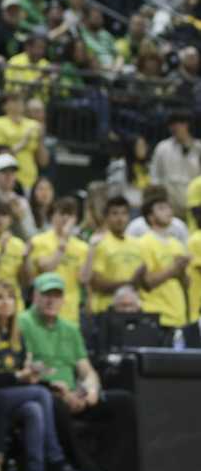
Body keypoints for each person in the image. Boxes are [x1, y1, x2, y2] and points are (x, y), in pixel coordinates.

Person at [19, 274, 136, 471]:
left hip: (75, 394)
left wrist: (91, 390)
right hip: (46, 392)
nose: (51, 301)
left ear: (64, 299)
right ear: (35, 296)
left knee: (124, 402)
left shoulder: (70, 329)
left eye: (56, 295)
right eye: (46, 295)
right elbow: (26, 368)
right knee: (54, 404)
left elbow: (86, 369)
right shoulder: (22, 323)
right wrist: (60, 390)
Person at [0, 279, 80, 471]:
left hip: (13, 395)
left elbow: (19, 376)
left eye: (10, 298)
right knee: (40, 395)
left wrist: (34, 376)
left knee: (34, 409)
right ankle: (56, 459)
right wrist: (18, 376)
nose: (5, 303)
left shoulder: (17, 336)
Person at [133, 191, 190, 329]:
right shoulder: (142, 243)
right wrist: (174, 268)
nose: (168, 211)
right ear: (150, 217)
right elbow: (147, 282)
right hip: (156, 314)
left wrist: (182, 270)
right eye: (161, 208)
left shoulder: (176, 243)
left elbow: (186, 284)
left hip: (179, 315)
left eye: (169, 207)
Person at [28, 198, 88, 324]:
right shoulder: (39, 241)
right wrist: (62, 245)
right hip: (44, 309)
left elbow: (83, 279)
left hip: (71, 312)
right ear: (53, 216)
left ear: (75, 219)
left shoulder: (82, 247)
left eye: (70, 215)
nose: (65, 218)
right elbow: (47, 268)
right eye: (61, 214)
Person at [85, 196, 147, 314]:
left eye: (124, 213)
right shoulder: (99, 243)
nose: (120, 218)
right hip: (106, 310)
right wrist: (128, 283)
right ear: (106, 218)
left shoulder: (137, 244)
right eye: (115, 214)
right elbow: (96, 283)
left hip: (133, 309)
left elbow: (142, 281)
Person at [0, 93, 47, 195]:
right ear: (4, 105)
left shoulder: (33, 125)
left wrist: (40, 141)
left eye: (20, 100)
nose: (18, 103)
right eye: (14, 100)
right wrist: (22, 143)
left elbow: (43, 162)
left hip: (30, 180)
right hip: (6, 180)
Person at [149, 112, 201, 217]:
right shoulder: (162, 147)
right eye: (171, 125)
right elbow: (154, 175)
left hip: (195, 202)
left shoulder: (198, 147)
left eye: (177, 125)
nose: (174, 128)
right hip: (170, 200)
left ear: (186, 125)